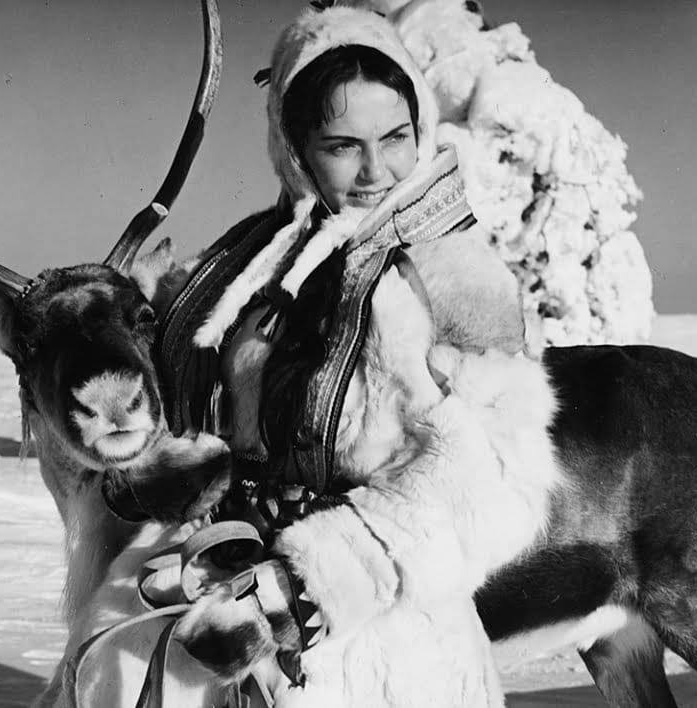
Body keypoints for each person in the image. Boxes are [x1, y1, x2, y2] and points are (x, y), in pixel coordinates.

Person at [156, 5, 562, 706]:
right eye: (343, 146)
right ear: (296, 148)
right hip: (248, 630)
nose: (377, 170)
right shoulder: (250, 267)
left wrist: (317, 576)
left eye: (396, 137)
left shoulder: (455, 275)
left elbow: (502, 483)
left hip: (395, 652)